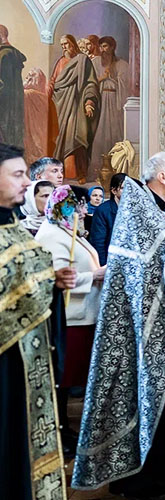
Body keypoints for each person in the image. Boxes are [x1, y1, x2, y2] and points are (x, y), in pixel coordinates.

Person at [72, 152, 165, 497]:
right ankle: (150, 476)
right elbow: (144, 268)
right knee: (147, 395)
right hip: (145, 324)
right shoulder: (140, 209)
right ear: (161, 175)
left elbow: (158, 257)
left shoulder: (154, 208)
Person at [0, 143, 69, 500]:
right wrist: (46, 280)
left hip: (29, 361)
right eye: (17, 175)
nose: (27, 183)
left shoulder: (13, 226)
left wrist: (53, 283)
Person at [36, 185, 106, 442]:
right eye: (82, 205)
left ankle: (68, 429)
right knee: (64, 380)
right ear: (67, 206)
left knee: (74, 374)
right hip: (69, 317)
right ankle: (60, 432)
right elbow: (56, 278)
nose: (86, 210)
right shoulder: (51, 235)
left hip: (83, 312)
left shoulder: (67, 229)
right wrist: (95, 275)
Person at [50, 34, 100, 183]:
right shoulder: (60, 62)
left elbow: (91, 83)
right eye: (62, 44)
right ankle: (61, 174)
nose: (64, 47)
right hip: (59, 105)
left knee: (76, 135)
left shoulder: (83, 61)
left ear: (73, 43)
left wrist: (89, 102)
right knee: (61, 138)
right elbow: (54, 81)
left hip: (76, 105)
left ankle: (80, 173)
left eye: (66, 43)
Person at [88, 36, 129, 181]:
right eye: (101, 47)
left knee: (115, 133)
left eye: (105, 47)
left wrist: (114, 78)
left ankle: (115, 169)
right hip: (100, 102)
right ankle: (96, 169)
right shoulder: (95, 63)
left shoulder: (122, 64)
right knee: (99, 134)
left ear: (112, 48)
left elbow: (126, 87)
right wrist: (102, 78)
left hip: (115, 103)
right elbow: (90, 83)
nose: (102, 50)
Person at [88, 172, 125, 265]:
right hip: (109, 263)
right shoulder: (103, 210)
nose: (128, 191)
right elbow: (98, 243)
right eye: (123, 188)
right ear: (114, 191)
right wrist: (104, 267)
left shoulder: (133, 209)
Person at [0, 25, 26, 149]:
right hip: (15, 104)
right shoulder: (13, 53)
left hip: (3, 105)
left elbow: (2, 84)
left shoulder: (3, 54)